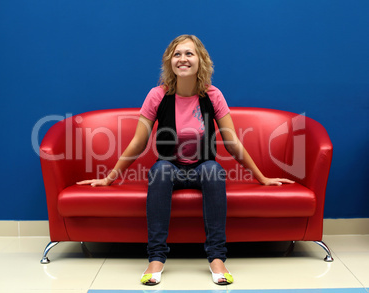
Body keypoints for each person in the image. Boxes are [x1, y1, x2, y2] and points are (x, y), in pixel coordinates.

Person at [77, 34, 294, 286]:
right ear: (169, 61)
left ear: (201, 60)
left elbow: (232, 142)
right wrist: (110, 177)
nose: (183, 59)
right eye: (177, 54)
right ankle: (156, 259)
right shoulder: (158, 96)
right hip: (170, 167)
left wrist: (261, 177)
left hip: (203, 167)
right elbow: (138, 142)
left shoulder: (213, 96)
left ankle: (217, 258)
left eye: (189, 54)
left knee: (214, 170)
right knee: (160, 171)